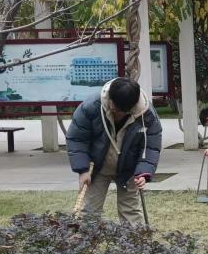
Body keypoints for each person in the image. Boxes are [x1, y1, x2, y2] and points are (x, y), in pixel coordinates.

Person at [66, 77, 162, 224]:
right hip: (97, 166)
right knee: (89, 211)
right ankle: (87, 238)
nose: (111, 107)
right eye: (111, 102)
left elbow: (150, 145)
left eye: (116, 109)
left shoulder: (146, 114)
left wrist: (143, 172)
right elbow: (77, 139)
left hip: (130, 169)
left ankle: (135, 238)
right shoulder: (91, 106)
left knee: (131, 211)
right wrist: (83, 170)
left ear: (130, 108)